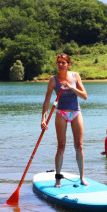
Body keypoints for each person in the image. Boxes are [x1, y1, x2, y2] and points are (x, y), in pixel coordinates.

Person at [41, 53, 89, 187]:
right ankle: (58, 179)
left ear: (68, 64)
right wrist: (43, 118)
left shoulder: (75, 76)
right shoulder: (53, 80)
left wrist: (71, 87)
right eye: (59, 62)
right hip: (61, 113)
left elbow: (84, 96)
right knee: (61, 146)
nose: (61, 65)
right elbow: (46, 101)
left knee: (79, 146)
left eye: (63, 62)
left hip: (75, 113)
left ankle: (82, 177)